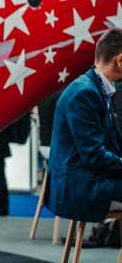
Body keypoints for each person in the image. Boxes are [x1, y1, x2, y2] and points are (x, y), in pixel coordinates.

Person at [45, 28, 122, 223]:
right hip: (79, 186)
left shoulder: (95, 87)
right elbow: (94, 155)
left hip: (86, 177)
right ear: (120, 60)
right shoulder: (85, 93)